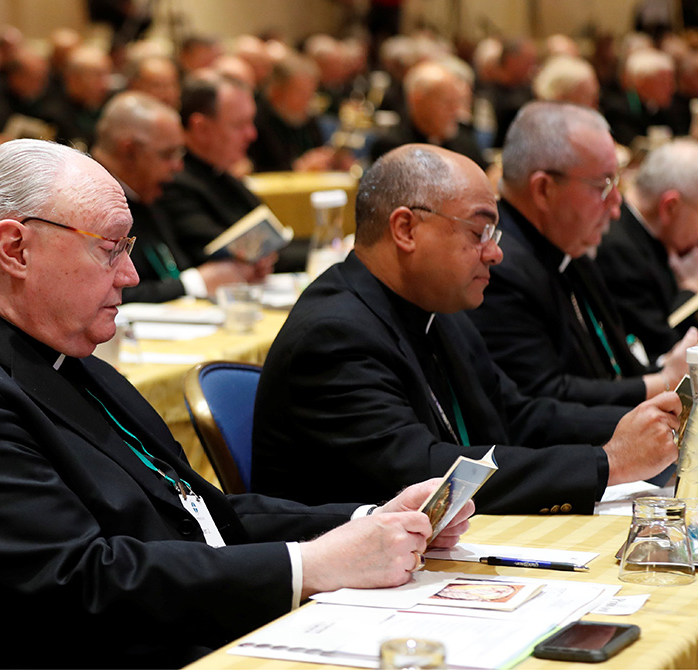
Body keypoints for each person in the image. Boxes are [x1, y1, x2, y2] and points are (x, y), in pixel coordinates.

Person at [0, 138, 473, 668]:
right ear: (15, 248)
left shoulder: (57, 354)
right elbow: (81, 584)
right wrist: (309, 567)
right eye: (109, 248)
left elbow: (200, 514)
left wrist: (369, 522)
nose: (131, 275)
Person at [253, 143, 681, 513]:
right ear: (405, 229)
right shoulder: (333, 336)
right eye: (479, 231)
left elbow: (518, 417)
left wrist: (645, 422)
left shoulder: (435, 308)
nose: (496, 253)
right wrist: (607, 463)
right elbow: (423, 474)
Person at [471, 101, 696, 407]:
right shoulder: (498, 267)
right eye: (603, 185)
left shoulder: (569, 246)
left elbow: (619, 365)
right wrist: (664, 382)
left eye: (616, 182)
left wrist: (665, 370)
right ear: (544, 190)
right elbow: (542, 401)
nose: (617, 205)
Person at [92, 92, 268, 303]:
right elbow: (107, 295)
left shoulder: (149, 192)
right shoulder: (87, 205)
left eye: (179, 154)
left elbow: (174, 267)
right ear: (129, 151)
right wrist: (194, 284)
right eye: (167, 155)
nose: (178, 167)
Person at [157, 73, 298, 271]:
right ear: (201, 128)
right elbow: (239, 254)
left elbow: (276, 241)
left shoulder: (221, 173)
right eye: (239, 125)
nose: (252, 134)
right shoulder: (174, 182)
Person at [595, 139, 698, 360]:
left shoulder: (645, 233)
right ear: (670, 206)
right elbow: (665, 350)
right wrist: (690, 289)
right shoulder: (618, 252)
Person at [369, 60, 486, 169]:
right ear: (417, 100)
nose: (455, 111)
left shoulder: (463, 138)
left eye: (457, 102)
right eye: (447, 103)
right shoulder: (392, 147)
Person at [602, 47, 688, 147]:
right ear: (642, 83)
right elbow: (633, 145)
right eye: (664, 82)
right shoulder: (619, 110)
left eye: (671, 81)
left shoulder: (674, 107)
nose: (671, 88)